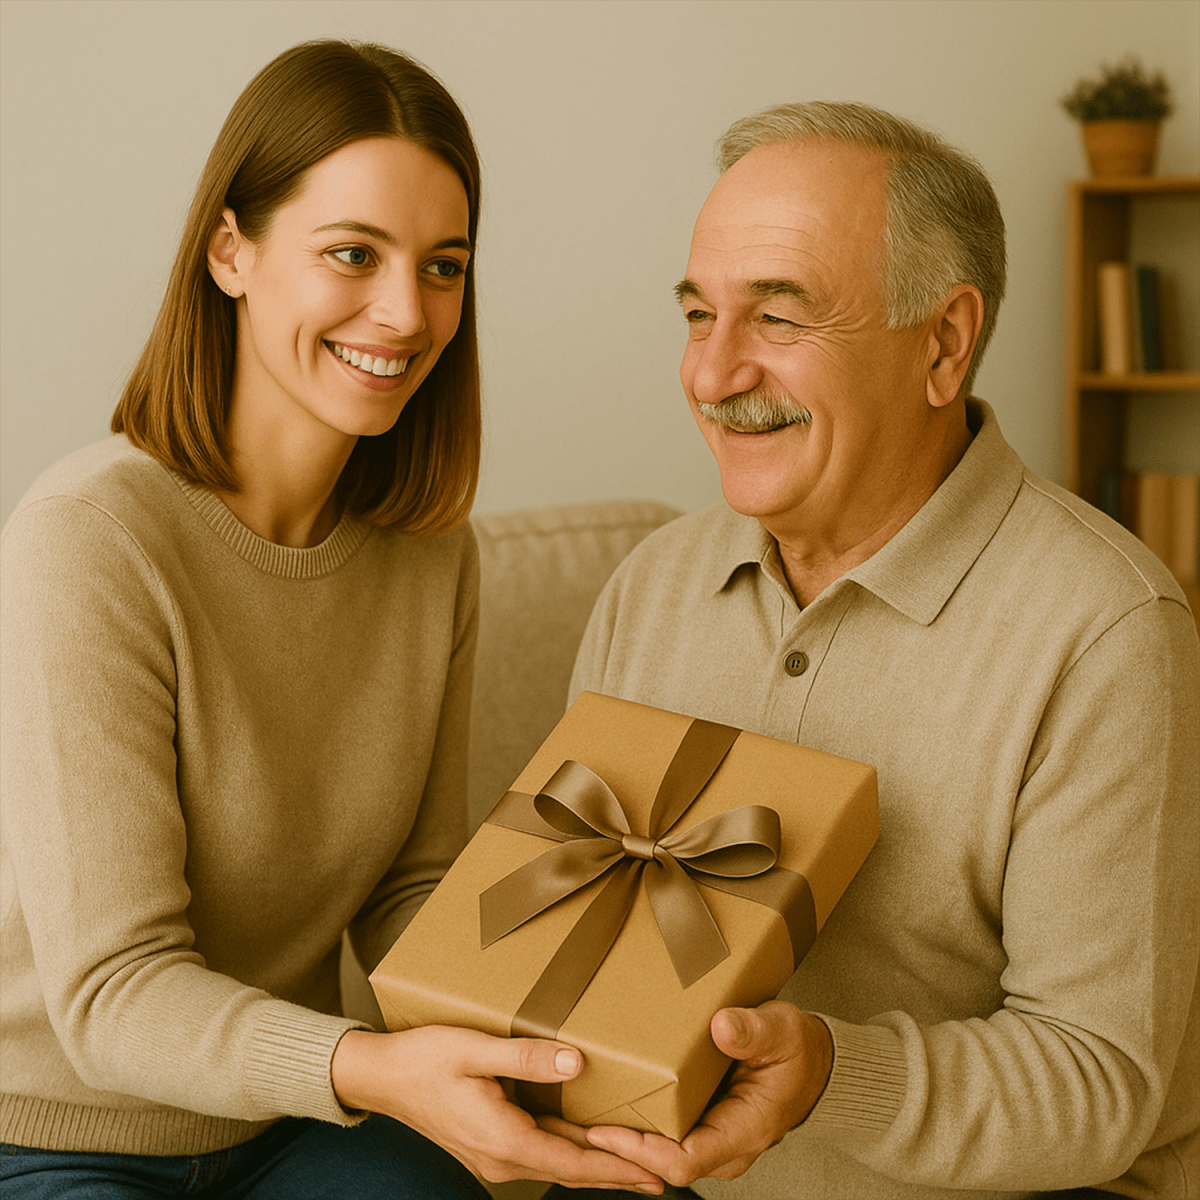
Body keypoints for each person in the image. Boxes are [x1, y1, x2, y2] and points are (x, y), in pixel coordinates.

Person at [0, 40, 662, 1197]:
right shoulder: (92, 539)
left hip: (281, 1119)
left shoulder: (427, 554)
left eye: (444, 266)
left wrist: (564, 1036)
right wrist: (377, 1069)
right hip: (57, 1126)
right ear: (231, 252)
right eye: (354, 253)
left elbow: (416, 883)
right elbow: (111, 994)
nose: (406, 313)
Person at [552, 103, 1200, 1199]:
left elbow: (1098, 1082)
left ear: (943, 344)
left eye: (778, 319)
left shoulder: (1108, 631)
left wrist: (830, 1076)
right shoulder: (650, 587)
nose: (711, 378)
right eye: (699, 315)